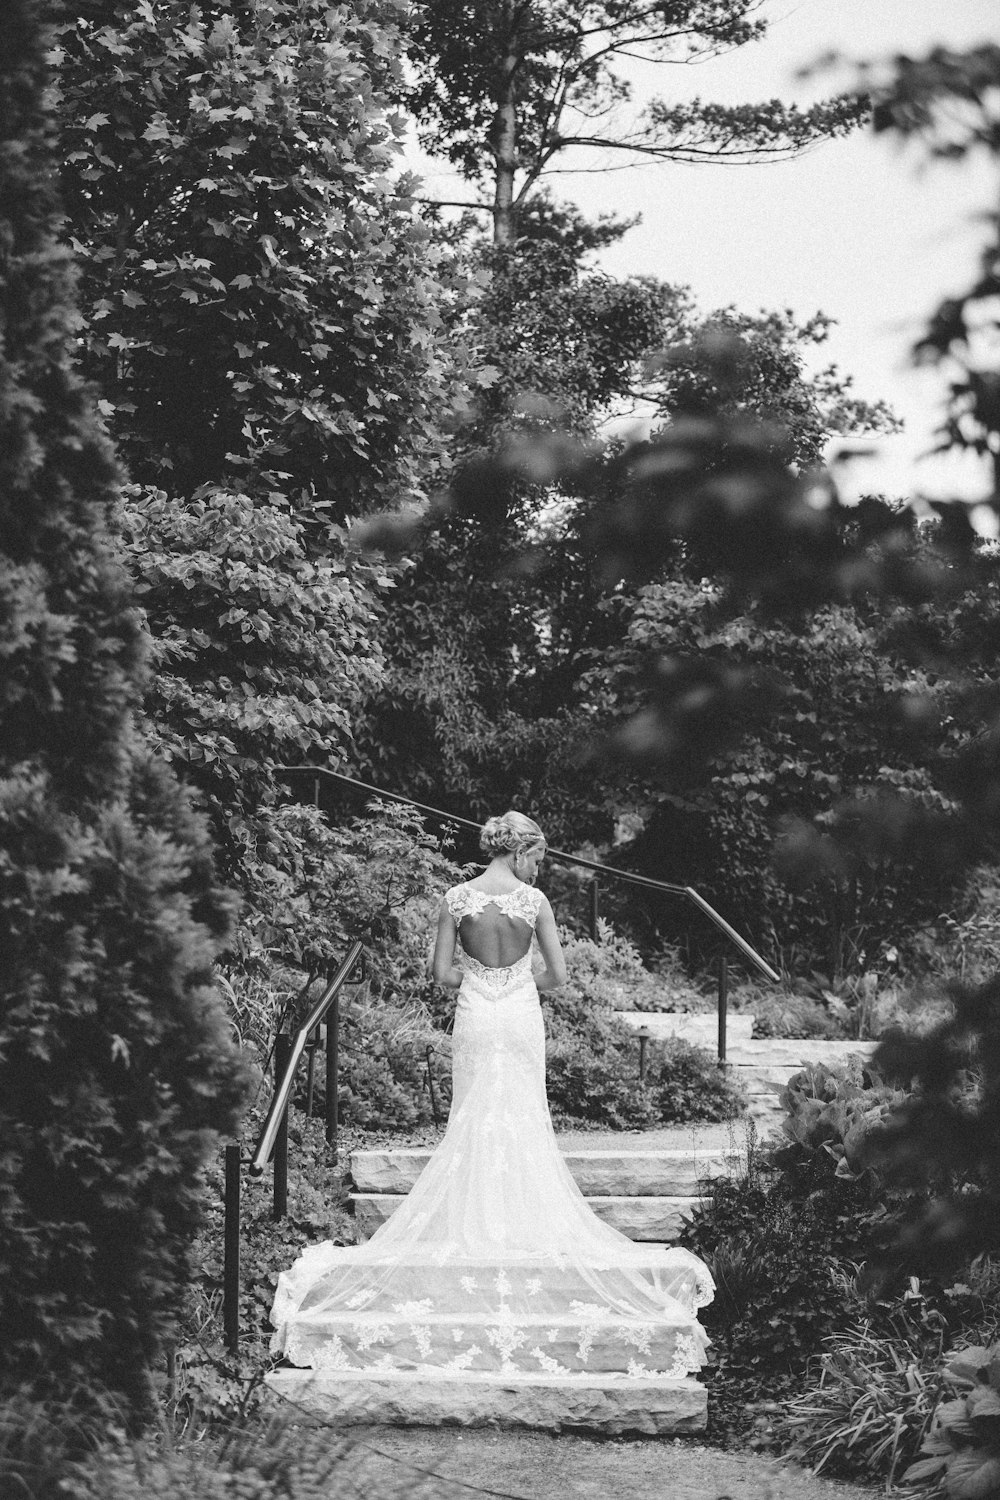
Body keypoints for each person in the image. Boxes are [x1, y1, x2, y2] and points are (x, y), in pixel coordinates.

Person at [270, 811, 714, 1382]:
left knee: (472, 1114)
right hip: (522, 1016)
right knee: (524, 1111)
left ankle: (475, 1218)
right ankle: (520, 1218)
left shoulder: (456, 898)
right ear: (523, 852)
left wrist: (482, 982)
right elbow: (557, 976)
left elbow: (440, 973)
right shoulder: (534, 903)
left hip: (477, 1015)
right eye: (538, 859)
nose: (539, 868)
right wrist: (517, 982)